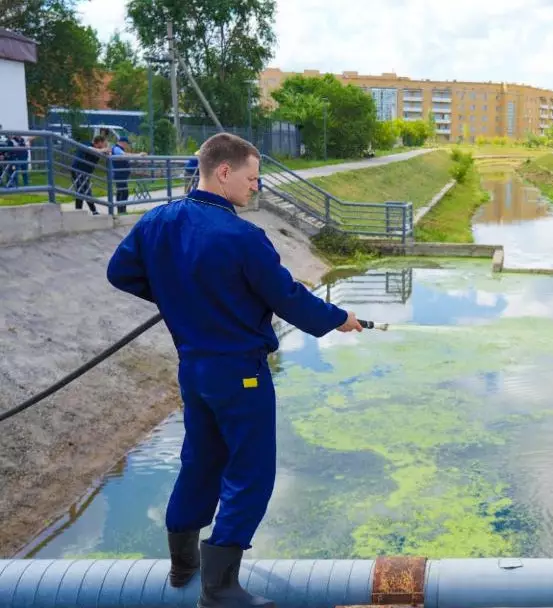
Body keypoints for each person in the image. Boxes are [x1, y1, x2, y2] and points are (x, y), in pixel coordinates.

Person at [105, 132, 365, 608]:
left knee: (201, 460)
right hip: (240, 373)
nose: (256, 187)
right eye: (251, 178)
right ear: (223, 172)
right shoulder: (244, 237)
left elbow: (120, 273)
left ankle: (184, 566)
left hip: (194, 370)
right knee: (250, 471)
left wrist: (177, 296)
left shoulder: (156, 222)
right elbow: (288, 299)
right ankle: (219, 588)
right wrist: (338, 318)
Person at [72, 136, 109, 215]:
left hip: (86, 172)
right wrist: (102, 150)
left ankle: (78, 211)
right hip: (78, 170)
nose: (105, 145)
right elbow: (89, 149)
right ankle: (93, 211)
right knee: (84, 190)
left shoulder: (99, 149)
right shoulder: (88, 144)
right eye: (103, 144)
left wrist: (106, 151)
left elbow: (107, 154)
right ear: (99, 142)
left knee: (81, 191)